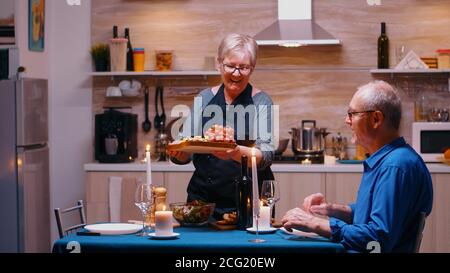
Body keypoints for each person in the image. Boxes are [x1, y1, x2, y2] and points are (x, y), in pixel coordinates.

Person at [281, 80, 433, 252]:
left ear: (376, 119)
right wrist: (334, 210)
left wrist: (314, 223)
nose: (347, 120)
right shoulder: (393, 160)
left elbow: (377, 239)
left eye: (352, 113)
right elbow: (376, 216)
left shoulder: (394, 166)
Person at [168, 33, 275, 218]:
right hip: (203, 201)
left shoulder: (261, 101)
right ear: (219, 64)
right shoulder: (204, 98)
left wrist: (234, 152)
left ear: (253, 68)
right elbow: (186, 146)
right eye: (230, 66)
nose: (236, 73)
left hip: (250, 200)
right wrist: (179, 153)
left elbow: (266, 155)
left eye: (243, 67)